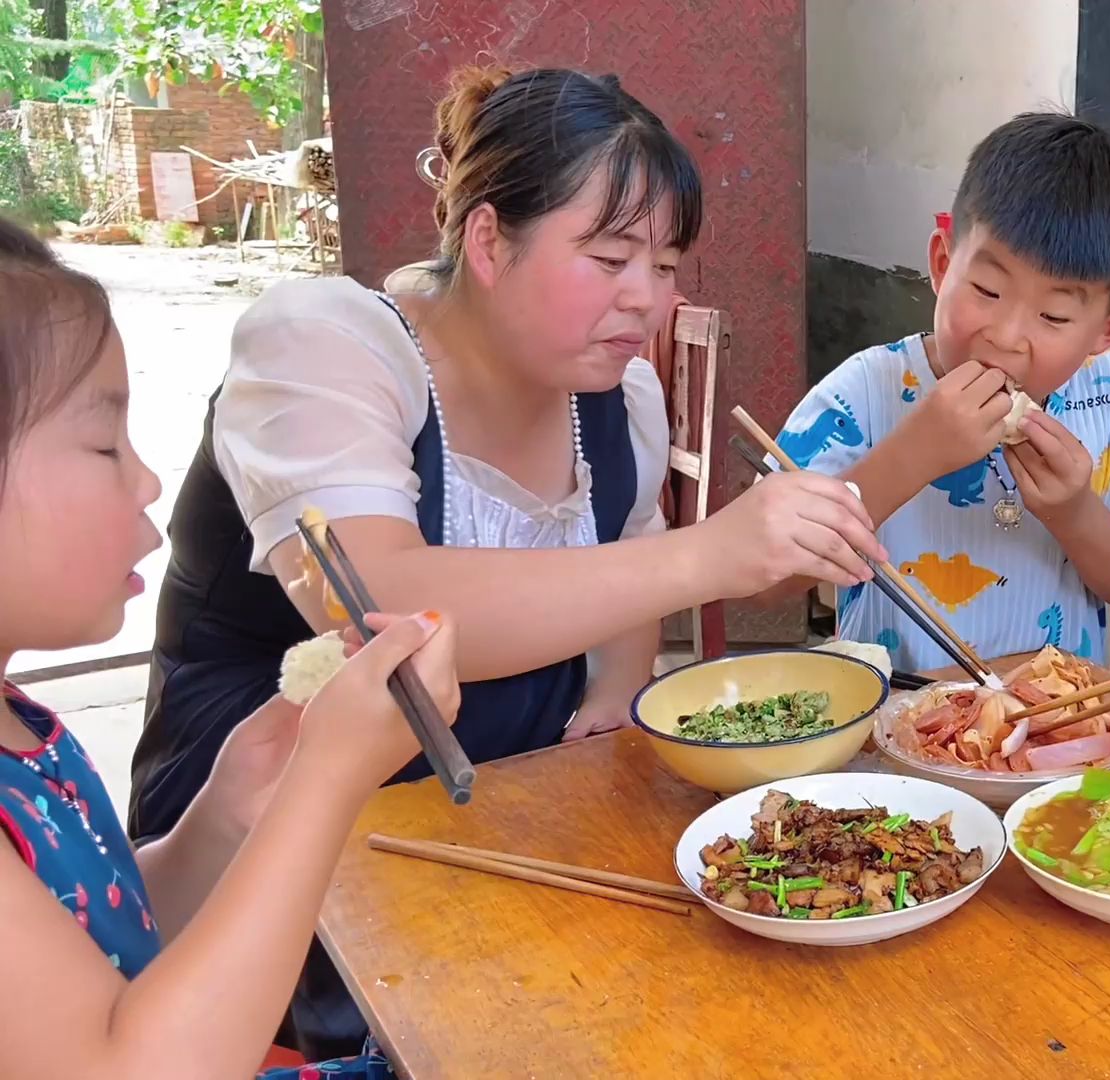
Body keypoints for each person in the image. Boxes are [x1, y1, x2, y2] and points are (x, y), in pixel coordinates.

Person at [131, 66, 884, 1057]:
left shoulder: (616, 399)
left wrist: (616, 690)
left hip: (503, 800)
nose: (645, 300)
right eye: (610, 256)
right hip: (280, 813)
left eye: (664, 267)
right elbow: (379, 614)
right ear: (488, 240)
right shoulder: (329, 348)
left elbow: (627, 554)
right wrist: (718, 552)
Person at [0, 215, 462, 1078]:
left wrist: (229, 814)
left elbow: (116, 947)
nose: (145, 480)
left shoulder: (19, 727)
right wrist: (326, 780)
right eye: (104, 445)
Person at [769, 112, 1110, 673]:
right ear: (943, 266)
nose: (1006, 335)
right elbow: (764, 579)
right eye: (988, 290)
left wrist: (1074, 513)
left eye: (1054, 314)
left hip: (1049, 729)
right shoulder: (864, 392)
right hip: (891, 723)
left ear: (1106, 332)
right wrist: (913, 454)